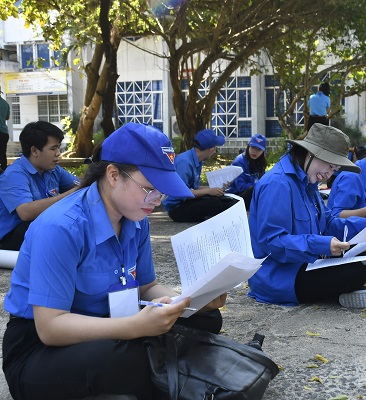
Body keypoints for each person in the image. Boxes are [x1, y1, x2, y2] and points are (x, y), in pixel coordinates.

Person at [2, 122, 227, 400]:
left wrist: (189, 301)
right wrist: (135, 327)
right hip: (39, 348)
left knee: (207, 320)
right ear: (113, 175)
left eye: (162, 192)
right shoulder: (61, 227)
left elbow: (147, 287)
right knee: (128, 359)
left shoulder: (136, 218)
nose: (157, 201)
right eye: (150, 189)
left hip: (109, 326)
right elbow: (50, 328)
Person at [248, 123, 366, 309]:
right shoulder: (278, 184)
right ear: (311, 153)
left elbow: (327, 221)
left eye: (334, 170)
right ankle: (359, 288)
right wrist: (322, 244)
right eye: (329, 165)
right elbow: (273, 242)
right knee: (353, 271)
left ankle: (363, 289)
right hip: (280, 277)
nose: (328, 175)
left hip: (306, 263)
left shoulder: (308, 182)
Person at [0, 121, 80, 251]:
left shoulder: (53, 170)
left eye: (59, 148)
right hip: (12, 240)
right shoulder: (14, 174)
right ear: (34, 151)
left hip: (38, 231)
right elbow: (26, 212)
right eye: (53, 148)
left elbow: (80, 185)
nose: (58, 153)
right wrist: (70, 195)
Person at [163, 128, 238, 222]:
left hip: (187, 201)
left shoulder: (197, 160)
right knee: (215, 203)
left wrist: (215, 189)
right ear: (211, 149)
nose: (215, 151)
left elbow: (193, 188)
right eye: (215, 148)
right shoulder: (184, 162)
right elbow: (183, 193)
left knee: (229, 201)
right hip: (177, 208)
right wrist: (209, 191)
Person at [227, 133, 267, 210]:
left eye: (259, 149)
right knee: (252, 190)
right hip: (236, 197)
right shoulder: (239, 162)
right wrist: (259, 186)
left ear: (263, 151)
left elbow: (263, 181)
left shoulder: (260, 162)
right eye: (253, 147)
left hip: (252, 194)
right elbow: (241, 187)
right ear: (248, 146)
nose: (255, 151)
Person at [0, 92, 9, 172]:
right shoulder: (5, 104)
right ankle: (4, 171)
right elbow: (7, 117)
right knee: (2, 153)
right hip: (3, 132)